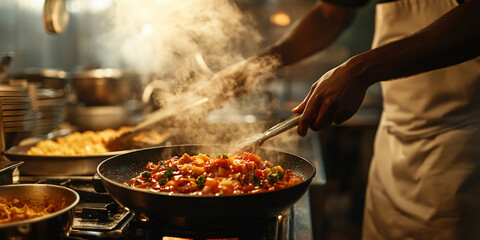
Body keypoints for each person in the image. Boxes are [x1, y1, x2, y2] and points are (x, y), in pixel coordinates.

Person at [203, 0, 480, 239]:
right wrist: (256, 66)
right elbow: (329, 15)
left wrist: (360, 70)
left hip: (461, 145)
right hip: (395, 136)